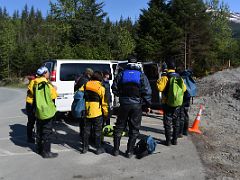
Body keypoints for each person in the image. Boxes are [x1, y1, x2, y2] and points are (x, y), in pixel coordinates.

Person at [111, 55, 152, 158]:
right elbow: (147, 91)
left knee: (119, 127)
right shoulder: (141, 75)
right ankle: (129, 152)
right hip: (137, 105)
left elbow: (114, 88)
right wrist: (148, 105)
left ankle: (115, 150)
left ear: (128, 63)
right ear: (136, 63)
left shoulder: (121, 74)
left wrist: (121, 95)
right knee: (134, 129)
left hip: (124, 105)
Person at [156, 58, 186, 146]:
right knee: (176, 122)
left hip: (167, 103)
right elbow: (184, 89)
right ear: (175, 67)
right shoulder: (179, 77)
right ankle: (175, 140)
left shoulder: (165, 77)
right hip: (177, 103)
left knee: (167, 122)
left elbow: (160, 88)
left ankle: (168, 141)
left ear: (167, 67)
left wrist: (159, 81)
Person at [32, 66, 58, 158]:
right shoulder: (46, 84)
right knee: (47, 132)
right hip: (47, 111)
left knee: (39, 130)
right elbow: (53, 96)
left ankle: (39, 149)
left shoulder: (34, 82)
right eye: (47, 72)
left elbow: (31, 93)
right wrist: (54, 89)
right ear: (44, 74)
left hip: (38, 110)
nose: (49, 74)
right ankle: (46, 152)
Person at [80, 71, 108, 155]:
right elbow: (104, 103)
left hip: (86, 110)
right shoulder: (101, 88)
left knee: (86, 130)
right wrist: (106, 113)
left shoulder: (86, 85)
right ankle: (98, 149)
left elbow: (78, 93)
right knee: (97, 131)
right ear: (100, 78)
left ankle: (85, 148)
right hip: (97, 112)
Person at [74, 68, 94, 139]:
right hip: (83, 101)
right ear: (88, 74)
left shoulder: (81, 78)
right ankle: (84, 135)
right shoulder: (85, 80)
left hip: (81, 100)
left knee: (82, 120)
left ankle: (82, 133)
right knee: (84, 120)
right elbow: (86, 92)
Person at [25, 76, 36, 143]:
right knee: (31, 121)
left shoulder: (36, 81)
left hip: (34, 103)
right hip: (31, 103)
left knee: (34, 121)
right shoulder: (34, 81)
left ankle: (34, 135)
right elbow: (32, 92)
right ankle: (29, 137)